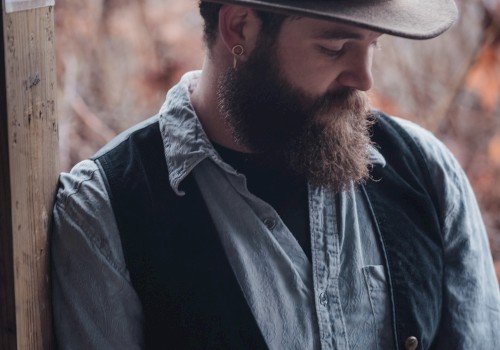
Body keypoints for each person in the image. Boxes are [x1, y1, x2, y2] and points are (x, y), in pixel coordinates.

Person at [51, 0, 500, 349]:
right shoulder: (105, 211)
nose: (364, 78)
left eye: (373, 45)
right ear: (239, 28)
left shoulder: (428, 173)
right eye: (335, 48)